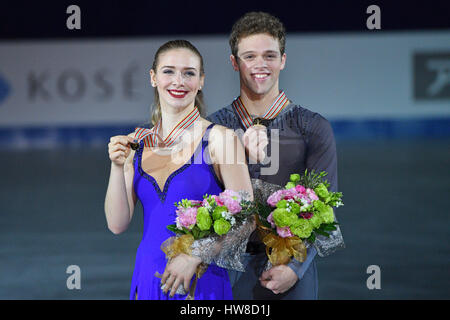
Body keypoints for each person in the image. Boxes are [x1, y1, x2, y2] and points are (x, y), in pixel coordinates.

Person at [207, 12, 345, 299]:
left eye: (269, 55)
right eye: (249, 56)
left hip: (290, 271)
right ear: (234, 63)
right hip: (224, 267)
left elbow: (323, 204)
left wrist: (295, 267)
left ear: (283, 60)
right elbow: (198, 196)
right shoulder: (212, 129)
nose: (260, 65)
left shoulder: (313, 128)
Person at [104, 40, 253, 300]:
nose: (178, 81)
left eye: (189, 73)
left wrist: (196, 254)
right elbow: (117, 224)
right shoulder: (135, 143)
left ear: (201, 81)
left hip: (201, 283)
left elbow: (247, 218)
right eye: (168, 71)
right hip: (148, 279)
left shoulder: (220, 140)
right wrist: (118, 167)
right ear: (153, 77)